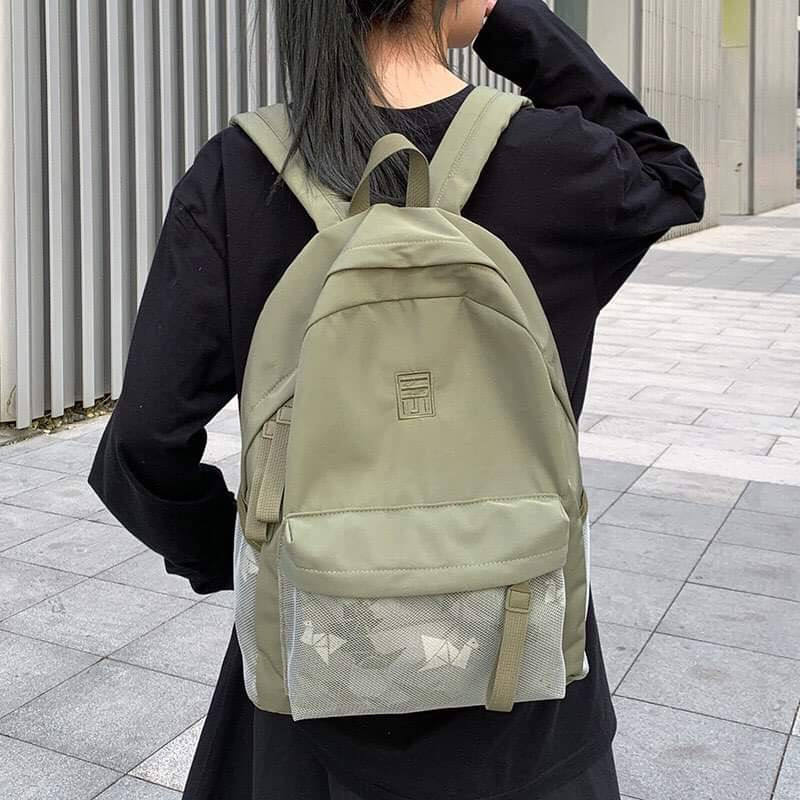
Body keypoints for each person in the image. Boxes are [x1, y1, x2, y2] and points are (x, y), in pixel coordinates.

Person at [88, 1, 705, 798]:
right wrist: (507, 22)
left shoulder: (241, 173)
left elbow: (144, 446)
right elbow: (671, 176)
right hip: (526, 693)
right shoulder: (560, 161)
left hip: (314, 691)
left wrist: (246, 560)